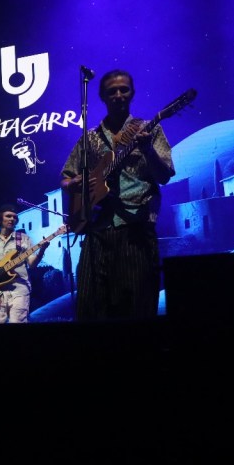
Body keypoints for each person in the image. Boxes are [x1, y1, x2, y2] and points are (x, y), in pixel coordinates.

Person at [61, 68, 174, 321]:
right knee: (90, 311)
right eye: (112, 91)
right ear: (102, 96)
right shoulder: (88, 139)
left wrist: (148, 151)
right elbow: (66, 179)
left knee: (136, 311)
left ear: (132, 93)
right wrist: (76, 183)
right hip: (95, 233)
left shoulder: (149, 129)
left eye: (124, 89)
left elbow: (165, 175)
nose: (119, 95)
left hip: (135, 230)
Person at [0, 203, 46, 324]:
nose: (12, 219)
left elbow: (32, 264)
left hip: (19, 289)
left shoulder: (23, 238)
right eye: (8, 216)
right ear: (0, 218)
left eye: (14, 217)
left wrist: (42, 250)